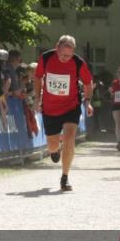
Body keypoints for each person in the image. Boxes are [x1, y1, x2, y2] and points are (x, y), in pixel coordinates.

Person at [34, 35, 94, 192]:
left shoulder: (78, 62)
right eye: (62, 54)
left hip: (71, 106)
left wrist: (87, 101)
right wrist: (37, 99)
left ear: (73, 51)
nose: (65, 58)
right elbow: (38, 76)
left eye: (69, 55)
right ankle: (55, 150)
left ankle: (65, 177)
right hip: (49, 108)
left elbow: (88, 83)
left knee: (69, 139)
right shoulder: (46, 57)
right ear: (57, 47)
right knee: (52, 145)